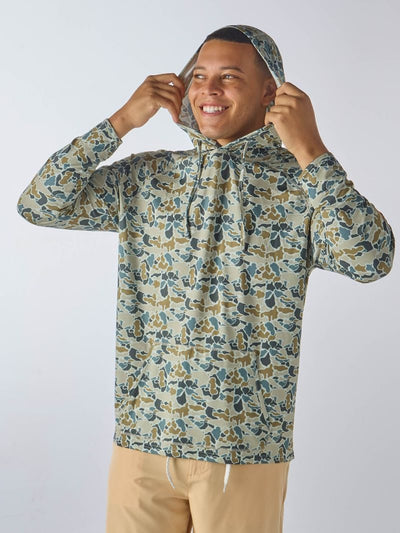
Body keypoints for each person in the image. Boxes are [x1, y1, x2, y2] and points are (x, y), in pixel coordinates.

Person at [16, 24, 395, 533]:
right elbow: (40, 204)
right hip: (142, 439)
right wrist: (121, 122)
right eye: (199, 75)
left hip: (243, 449)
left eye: (229, 76)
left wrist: (311, 149)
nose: (208, 89)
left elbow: (371, 258)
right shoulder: (148, 177)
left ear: (271, 93)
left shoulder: (301, 188)